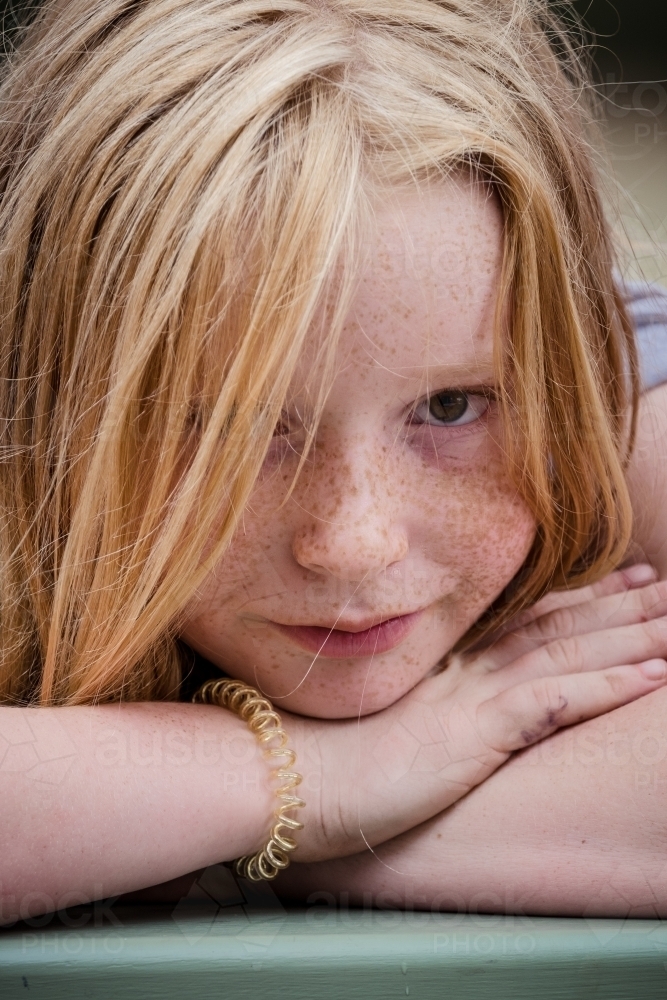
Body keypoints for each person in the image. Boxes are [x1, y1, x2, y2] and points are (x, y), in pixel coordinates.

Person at [2, 0, 667, 923]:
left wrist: (249, 845)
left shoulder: (612, 398)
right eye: (230, 426)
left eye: (449, 408)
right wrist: (326, 783)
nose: (352, 543)